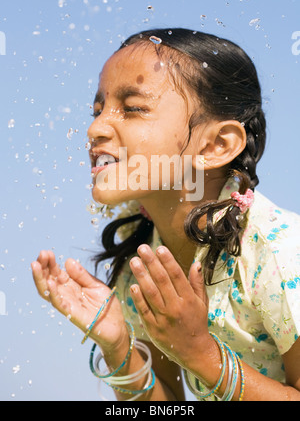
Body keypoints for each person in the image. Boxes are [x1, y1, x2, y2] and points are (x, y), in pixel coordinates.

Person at [31, 28, 300, 401]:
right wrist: (120, 347)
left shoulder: (279, 253)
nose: (95, 129)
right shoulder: (143, 263)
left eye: (132, 108)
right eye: (98, 110)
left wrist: (200, 354)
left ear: (216, 144)